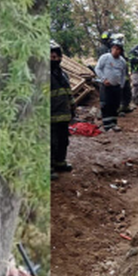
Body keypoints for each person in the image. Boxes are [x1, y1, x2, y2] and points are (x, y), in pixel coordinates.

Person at [50, 40, 74, 179]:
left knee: (63, 140)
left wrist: (72, 105)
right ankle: (49, 167)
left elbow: (68, 92)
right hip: (50, 115)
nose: (55, 59)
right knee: (51, 143)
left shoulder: (63, 74)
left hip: (63, 114)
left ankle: (60, 162)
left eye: (56, 57)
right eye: (51, 57)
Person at [96, 39, 129, 132]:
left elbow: (123, 74)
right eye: (114, 48)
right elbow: (98, 69)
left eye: (118, 49)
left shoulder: (122, 61)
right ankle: (106, 125)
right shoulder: (105, 57)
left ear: (121, 51)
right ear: (111, 49)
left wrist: (121, 85)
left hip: (116, 87)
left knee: (115, 105)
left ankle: (113, 123)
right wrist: (104, 79)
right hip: (106, 86)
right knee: (106, 104)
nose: (115, 50)